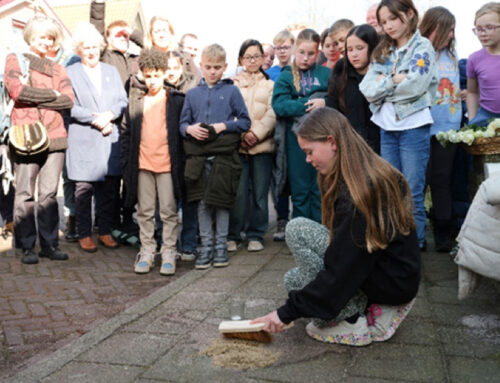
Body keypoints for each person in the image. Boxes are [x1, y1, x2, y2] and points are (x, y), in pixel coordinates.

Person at [252, 108, 420, 346]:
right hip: (386, 272)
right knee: (293, 280)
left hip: (390, 285)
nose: (308, 160)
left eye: (309, 152)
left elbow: (342, 268)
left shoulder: (360, 193)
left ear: (331, 141)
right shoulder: (362, 171)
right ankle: (357, 306)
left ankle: (353, 320)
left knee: (296, 228)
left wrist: (283, 314)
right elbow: (344, 254)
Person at [359, 0, 437, 251]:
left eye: (393, 18)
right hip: (387, 127)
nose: (388, 26)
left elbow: (416, 85)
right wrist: (393, 80)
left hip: (414, 125)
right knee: (391, 190)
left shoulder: (422, 46)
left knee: (412, 191)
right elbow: (367, 90)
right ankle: (396, 247)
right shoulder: (383, 50)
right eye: (383, 22)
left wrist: (384, 86)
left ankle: (415, 246)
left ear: (409, 14)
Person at [4, 15, 74, 264]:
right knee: (24, 193)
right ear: (31, 37)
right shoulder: (16, 60)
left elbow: (68, 99)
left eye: (51, 37)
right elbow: (17, 90)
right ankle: (25, 246)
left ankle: (49, 244)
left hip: (55, 137)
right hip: (26, 136)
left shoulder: (59, 67)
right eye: (42, 36)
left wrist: (36, 96)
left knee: (49, 195)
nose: (47, 41)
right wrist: (51, 94)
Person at [179, 44, 250, 269]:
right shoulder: (192, 94)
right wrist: (189, 130)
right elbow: (182, 123)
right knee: (201, 203)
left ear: (225, 67)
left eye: (217, 67)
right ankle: (206, 247)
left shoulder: (232, 91)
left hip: (224, 158)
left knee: (221, 203)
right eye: (208, 67)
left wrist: (223, 126)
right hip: (198, 159)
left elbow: (245, 121)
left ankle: (221, 247)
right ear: (201, 65)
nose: (212, 72)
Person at [121, 49, 185, 275]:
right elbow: (127, 133)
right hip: (142, 165)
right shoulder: (136, 101)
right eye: (148, 76)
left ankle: (168, 250)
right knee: (145, 211)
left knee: (168, 211)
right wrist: (127, 164)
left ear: (165, 74)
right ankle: (147, 250)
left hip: (167, 165)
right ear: (142, 75)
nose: (152, 80)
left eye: (157, 75)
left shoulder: (176, 100)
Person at [66, 22, 128, 253]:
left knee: (109, 189)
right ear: (79, 49)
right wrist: (96, 119)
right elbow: (68, 105)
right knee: (83, 189)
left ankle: (104, 231)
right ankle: (84, 233)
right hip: (84, 137)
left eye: (94, 46)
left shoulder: (111, 71)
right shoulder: (70, 73)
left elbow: (122, 100)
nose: (91, 51)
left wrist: (110, 115)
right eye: (86, 47)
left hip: (109, 138)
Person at [272, 28, 331, 223]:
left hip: (322, 137)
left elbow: (337, 98)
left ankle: (321, 234)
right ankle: (301, 236)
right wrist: (307, 104)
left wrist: (324, 102)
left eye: (311, 53)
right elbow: (279, 105)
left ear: (318, 52)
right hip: (295, 138)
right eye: (301, 53)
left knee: (319, 187)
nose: (305, 58)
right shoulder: (286, 75)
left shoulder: (325, 73)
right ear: (295, 51)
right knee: (300, 189)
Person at [227, 40, 276, 253]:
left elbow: (272, 112)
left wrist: (256, 134)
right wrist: (242, 133)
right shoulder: (232, 85)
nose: (253, 60)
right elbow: (229, 111)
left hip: (262, 147)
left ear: (263, 58)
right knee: (238, 194)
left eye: (257, 56)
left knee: (259, 193)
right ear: (241, 60)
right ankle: (234, 234)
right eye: (248, 56)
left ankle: (256, 234)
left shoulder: (271, 85)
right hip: (238, 147)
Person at [420, 7, 462, 252]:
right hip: (424, 126)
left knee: (442, 180)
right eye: (448, 28)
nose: (451, 34)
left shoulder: (453, 55)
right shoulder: (420, 52)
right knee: (421, 179)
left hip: (449, 127)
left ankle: (443, 229)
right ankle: (417, 230)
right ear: (433, 28)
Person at [162, 50, 198, 262]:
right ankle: (168, 243)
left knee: (190, 200)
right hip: (167, 153)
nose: (172, 73)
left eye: (176, 68)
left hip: (189, 152)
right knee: (168, 203)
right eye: (168, 69)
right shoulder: (158, 90)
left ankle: (189, 244)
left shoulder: (193, 88)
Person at [327, 24, 380, 153]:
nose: (354, 55)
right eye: (350, 50)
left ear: (372, 47)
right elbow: (333, 109)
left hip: (381, 144)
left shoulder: (382, 72)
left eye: (359, 48)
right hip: (350, 146)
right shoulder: (341, 71)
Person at [266, 30, 295, 242]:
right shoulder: (271, 73)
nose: (282, 51)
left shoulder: (299, 70)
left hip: (296, 128)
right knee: (280, 175)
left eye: (285, 47)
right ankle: (282, 218)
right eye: (278, 48)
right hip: (275, 129)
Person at [466, 2, 500, 127]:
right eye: (479, 29)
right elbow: (472, 92)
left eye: (489, 27)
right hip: (485, 117)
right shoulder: (474, 59)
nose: (483, 33)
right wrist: (472, 119)